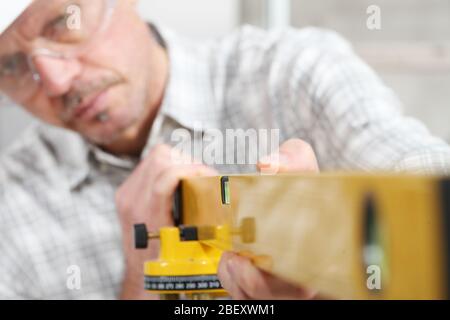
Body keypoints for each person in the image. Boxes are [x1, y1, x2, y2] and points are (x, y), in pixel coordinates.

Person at [0, 0, 449, 300]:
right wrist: (142, 286)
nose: (57, 82)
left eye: (63, 24)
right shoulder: (13, 202)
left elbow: (431, 194)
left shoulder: (291, 76)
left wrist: (330, 264)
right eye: (12, 66)